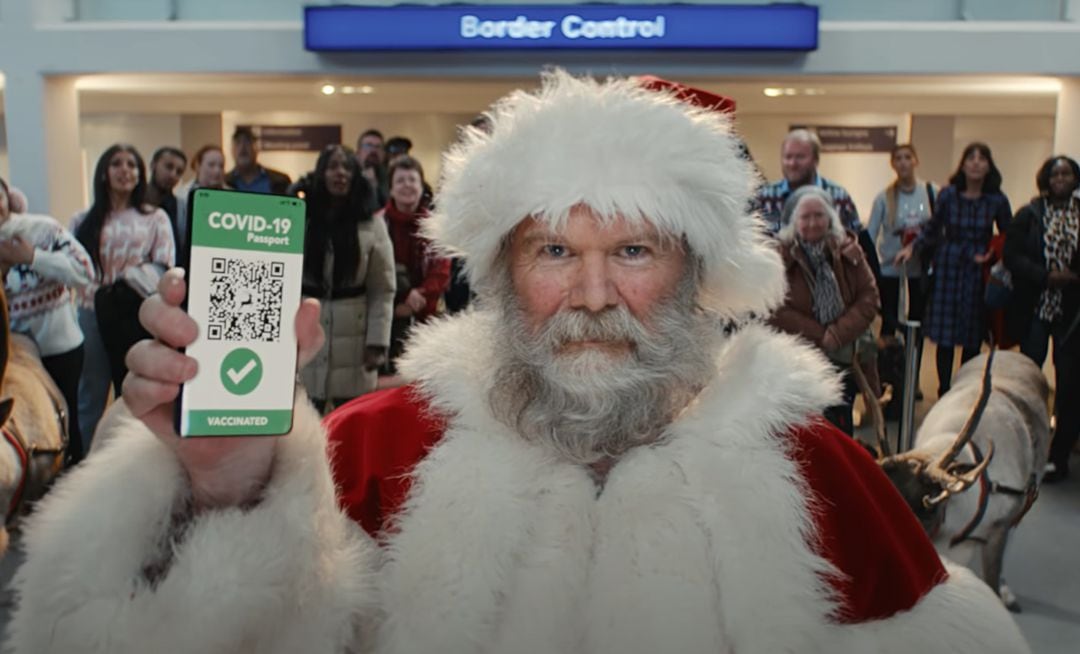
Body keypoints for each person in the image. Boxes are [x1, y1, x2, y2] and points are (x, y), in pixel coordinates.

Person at [7, 72, 1028, 654]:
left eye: (632, 251)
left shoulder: (820, 479)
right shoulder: (365, 459)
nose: (590, 296)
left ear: (699, 275)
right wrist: (226, 497)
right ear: (499, 273)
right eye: (553, 253)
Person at [71, 144, 174, 449]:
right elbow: (72, 267)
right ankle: (85, 462)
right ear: (104, 172)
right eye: (117, 163)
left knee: (133, 394)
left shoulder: (155, 218)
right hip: (90, 313)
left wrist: (127, 284)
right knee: (90, 395)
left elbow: (165, 267)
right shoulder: (82, 220)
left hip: (136, 316)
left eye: (132, 164)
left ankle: (128, 460)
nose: (125, 170)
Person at [897, 143, 1011, 397]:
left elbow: (1007, 235)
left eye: (982, 158)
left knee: (972, 334)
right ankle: (944, 389)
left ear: (989, 166)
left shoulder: (997, 199)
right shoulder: (948, 194)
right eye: (971, 158)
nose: (976, 163)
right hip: (949, 266)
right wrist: (912, 248)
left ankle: (965, 389)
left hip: (977, 271)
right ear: (963, 164)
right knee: (946, 336)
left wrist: (993, 253)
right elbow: (933, 228)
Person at [771, 185, 880, 436]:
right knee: (805, 429)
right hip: (798, 360)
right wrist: (821, 335)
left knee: (841, 427)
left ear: (830, 218)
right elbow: (774, 308)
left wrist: (838, 334)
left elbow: (869, 296)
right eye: (805, 217)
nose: (813, 223)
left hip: (845, 358)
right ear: (794, 221)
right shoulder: (779, 258)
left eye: (819, 215)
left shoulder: (848, 250)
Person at [0, 176, 94, 465]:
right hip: (12, 359)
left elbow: (84, 272)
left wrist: (32, 257)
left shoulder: (41, 228)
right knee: (21, 427)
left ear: (8, 198)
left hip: (59, 350)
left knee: (64, 427)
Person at [300, 145, 396, 414]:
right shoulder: (302, 218)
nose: (340, 173)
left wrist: (377, 342)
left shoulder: (371, 224)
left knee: (352, 418)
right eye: (332, 166)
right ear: (320, 173)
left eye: (347, 167)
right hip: (308, 326)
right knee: (304, 418)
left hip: (355, 336)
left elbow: (383, 288)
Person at [1004, 155, 1080, 481]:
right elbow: (1012, 256)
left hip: (1072, 315)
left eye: (1066, 173)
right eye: (1054, 173)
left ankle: (1058, 456)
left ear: (1075, 179)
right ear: (1045, 179)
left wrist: (1071, 278)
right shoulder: (1030, 214)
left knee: (1069, 386)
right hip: (1035, 306)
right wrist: (1045, 276)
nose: (1060, 178)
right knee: (1029, 381)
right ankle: (1024, 448)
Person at [756, 128, 882, 282]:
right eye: (787, 157)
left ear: (816, 160)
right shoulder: (765, 197)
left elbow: (859, 247)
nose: (792, 163)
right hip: (781, 290)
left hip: (832, 288)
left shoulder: (838, 197)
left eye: (800, 157)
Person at [867, 144, 936, 402]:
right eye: (898, 158)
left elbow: (940, 229)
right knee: (889, 329)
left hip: (920, 274)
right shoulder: (884, 198)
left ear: (916, 160)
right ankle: (888, 381)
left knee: (915, 331)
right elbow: (870, 236)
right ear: (893, 164)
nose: (904, 162)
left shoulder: (931, 193)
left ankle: (912, 381)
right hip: (890, 275)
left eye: (908, 157)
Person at [376, 156, 450, 366]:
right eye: (400, 180)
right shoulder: (377, 223)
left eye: (412, 179)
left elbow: (442, 271)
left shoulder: (436, 226)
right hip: (384, 318)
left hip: (426, 316)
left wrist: (417, 298)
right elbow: (376, 272)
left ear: (421, 186)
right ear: (390, 189)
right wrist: (402, 298)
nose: (407, 185)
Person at [175, 144, 228, 254]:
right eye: (211, 165)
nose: (217, 171)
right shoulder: (181, 196)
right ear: (198, 166)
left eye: (221, 166)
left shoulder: (233, 197)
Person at [225, 126, 291, 194]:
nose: (243, 147)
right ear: (232, 151)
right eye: (238, 142)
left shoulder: (280, 181)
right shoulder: (224, 183)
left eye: (248, 142)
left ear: (257, 149)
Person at [145, 146, 187, 243]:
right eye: (168, 167)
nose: (173, 175)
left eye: (179, 172)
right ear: (153, 165)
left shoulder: (181, 208)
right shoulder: (133, 199)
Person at [356, 128, 389, 207]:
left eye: (378, 147)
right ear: (358, 152)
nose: (373, 150)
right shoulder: (349, 175)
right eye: (368, 145)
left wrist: (374, 186)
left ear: (383, 154)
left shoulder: (390, 177)